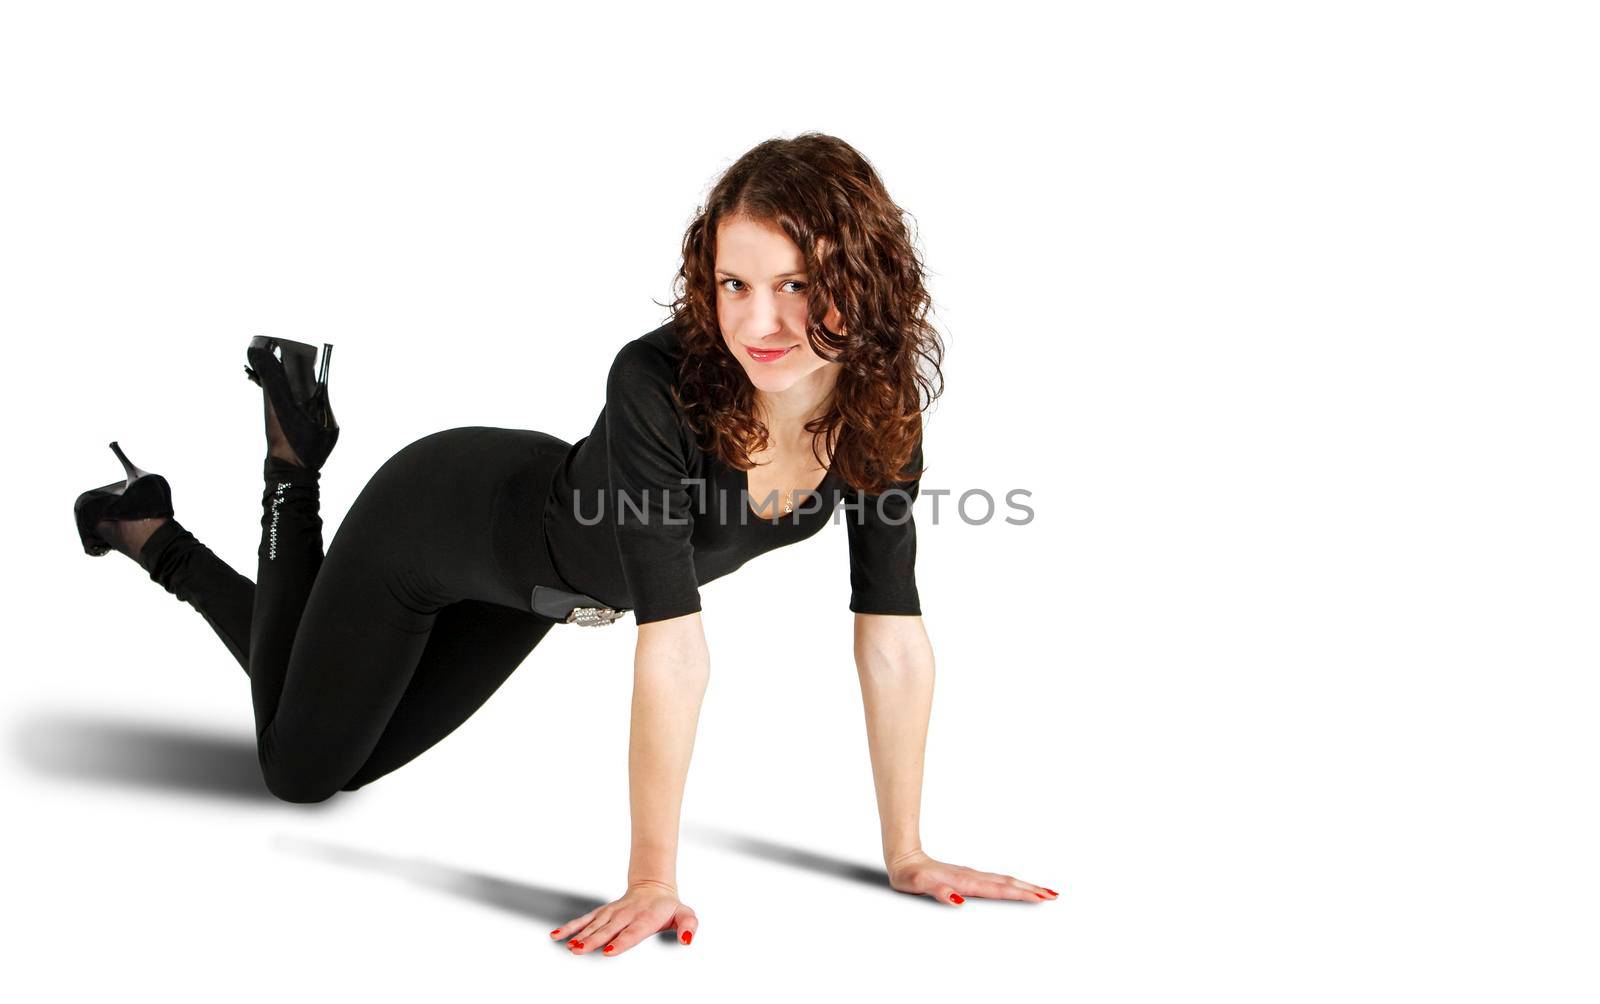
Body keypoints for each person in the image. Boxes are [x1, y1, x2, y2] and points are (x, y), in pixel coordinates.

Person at [71, 133, 1059, 957]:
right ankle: (292, 457)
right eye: (735, 282)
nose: (760, 320)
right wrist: (652, 876)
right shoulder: (657, 382)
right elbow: (673, 636)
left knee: (326, 729)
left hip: (539, 595)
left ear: (864, 275)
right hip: (433, 522)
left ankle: (139, 521)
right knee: (300, 768)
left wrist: (908, 850)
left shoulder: (878, 414)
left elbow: (890, 628)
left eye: (798, 283)